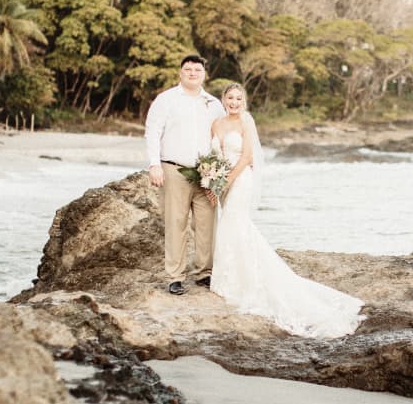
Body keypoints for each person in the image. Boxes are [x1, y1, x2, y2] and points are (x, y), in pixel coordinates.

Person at [210, 83, 365, 338]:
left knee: (234, 224)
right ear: (223, 99)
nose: (234, 102)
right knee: (230, 226)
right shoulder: (216, 124)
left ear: (244, 101)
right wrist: (213, 178)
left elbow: (247, 157)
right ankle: (227, 277)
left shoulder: (246, 121)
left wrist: (226, 181)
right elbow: (213, 156)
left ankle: (242, 282)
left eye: (239, 98)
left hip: (240, 180)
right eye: (230, 98)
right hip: (222, 181)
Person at [145, 55, 226, 295]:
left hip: (206, 172)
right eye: (188, 69)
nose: (192, 73)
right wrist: (154, 165)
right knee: (175, 223)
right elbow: (152, 132)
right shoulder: (166, 99)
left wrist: (219, 173)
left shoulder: (213, 104)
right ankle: (175, 276)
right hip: (174, 169)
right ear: (181, 72)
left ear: (204, 74)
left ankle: (204, 273)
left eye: (197, 69)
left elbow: (220, 139)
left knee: (206, 224)